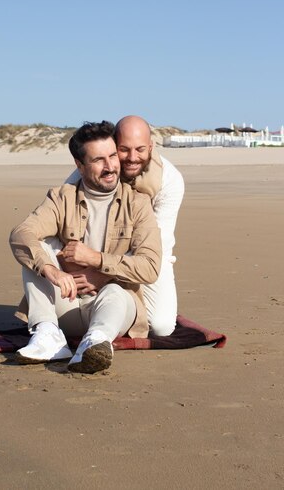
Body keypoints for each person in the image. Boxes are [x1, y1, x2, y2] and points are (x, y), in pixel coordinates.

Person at [9, 121, 162, 374]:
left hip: (112, 309)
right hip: (65, 304)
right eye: (99, 160)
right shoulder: (61, 197)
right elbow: (21, 233)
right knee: (36, 256)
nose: (110, 166)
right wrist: (52, 270)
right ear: (80, 166)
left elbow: (150, 267)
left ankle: (96, 344)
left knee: (115, 292)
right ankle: (48, 334)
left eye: (113, 156)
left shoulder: (138, 204)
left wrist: (97, 260)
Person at [67, 115, 184, 336]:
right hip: (98, 248)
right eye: (124, 149)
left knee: (161, 326)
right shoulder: (89, 172)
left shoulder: (170, 181)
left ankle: (121, 303)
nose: (132, 157)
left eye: (140, 149)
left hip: (148, 257)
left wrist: (104, 274)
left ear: (151, 146)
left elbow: (156, 246)